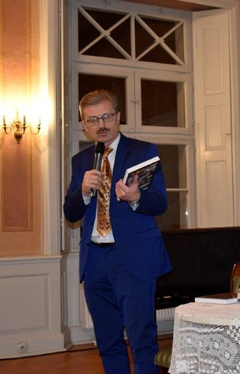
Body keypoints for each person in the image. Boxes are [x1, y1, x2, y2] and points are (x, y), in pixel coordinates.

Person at [63, 90, 172, 374]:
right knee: (107, 341)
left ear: (118, 116)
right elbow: (71, 213)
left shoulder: (143, 151)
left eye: (106, 116)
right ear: (84, 125)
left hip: (132, 259)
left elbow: (160, 203)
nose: (101, 124)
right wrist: (82, 191)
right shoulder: (80, 161)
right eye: (92, 120)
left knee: (142, 340)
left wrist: (136, 197)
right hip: (95, 261)